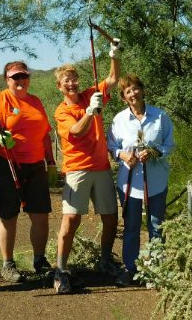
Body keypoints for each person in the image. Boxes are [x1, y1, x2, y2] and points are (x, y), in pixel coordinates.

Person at [53, 37, 123, 294]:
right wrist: (90, 112)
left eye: (74, 79)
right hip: (77, 170)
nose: (71, 83)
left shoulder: (88, 94)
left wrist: (114, 55)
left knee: (110, 217)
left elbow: (113, 80)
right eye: (66, 81)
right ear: (60, 86)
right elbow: (76, 131)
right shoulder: (62, 111)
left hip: (102, 166)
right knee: (71, 219)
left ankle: (105, 261)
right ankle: (61, 270)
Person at [0, 61, 56, 282]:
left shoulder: (36, 101)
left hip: (35, 165)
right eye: (15, 77)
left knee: (40, 215)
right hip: (6, 162)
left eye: (24, 76)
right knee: (9, 215)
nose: (20, 81)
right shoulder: (0, 99)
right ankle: (8, 265)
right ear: (7, 79)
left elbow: (44, 134)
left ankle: (39, 261)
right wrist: (0, 137)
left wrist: (51, 162)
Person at [107, 73, 174, 286]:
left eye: (136, 88)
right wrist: (122, 155)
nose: (133, 93)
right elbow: (112, 146)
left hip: (156, 181)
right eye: (128, 91)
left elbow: (170, 145)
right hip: (129, 184)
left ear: (142, 90)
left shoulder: (160, 116)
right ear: (123, 97)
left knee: (156, 224)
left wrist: (155, 151)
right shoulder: (119, 120)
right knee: (132, 226)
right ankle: (130, 269)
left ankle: (156, 270)